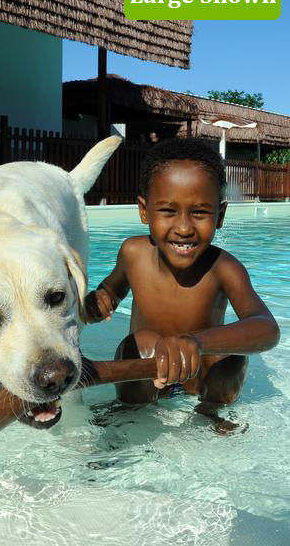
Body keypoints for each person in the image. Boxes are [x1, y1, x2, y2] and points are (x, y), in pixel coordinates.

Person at [85, 138, 279, 430]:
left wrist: (197, 342)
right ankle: (129, 410)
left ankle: (209, 411)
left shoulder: (224, 267)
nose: (185, 227)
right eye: (168, 211)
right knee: (144, 342)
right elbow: (108, 294)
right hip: (145, 372)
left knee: (232, 355)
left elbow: (267, 328)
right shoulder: (133, 254)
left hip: (198, 376)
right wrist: (97, 303)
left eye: (200, 212)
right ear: (144, 210)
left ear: (221, 216)